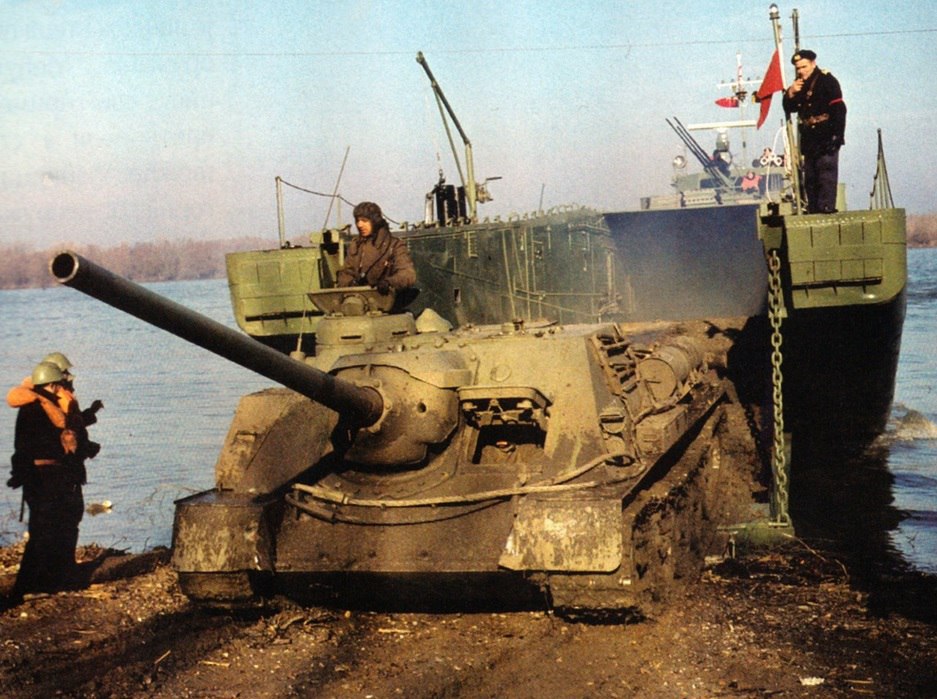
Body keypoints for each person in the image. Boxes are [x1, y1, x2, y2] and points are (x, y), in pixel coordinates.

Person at [6, 360, 100, 598]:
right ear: (51, 384)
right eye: (58, 382)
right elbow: (42, 445)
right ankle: (32, 586)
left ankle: (50, 580)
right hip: (45, 478)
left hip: (43, 477)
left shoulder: (36, 407)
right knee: (44, 531)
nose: (62, 386)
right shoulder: (38, 409)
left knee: (50, 528)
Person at [782, 49, 847, 214]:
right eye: (798, 68)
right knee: (810, 177)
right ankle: (813, 208)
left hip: (826, 133)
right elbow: (790, 108)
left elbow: (839, 108)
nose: (801, 71)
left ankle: (826, 207)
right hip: (809, 138)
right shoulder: (800, 85)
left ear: (813, 64)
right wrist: (790, 93)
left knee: (826, 172)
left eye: (804, 66)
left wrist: (838, 135)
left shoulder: (827, 80)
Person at [336, 201, 416, 294]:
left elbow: (408, 274)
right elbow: (346, 273)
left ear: (375, 221)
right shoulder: (356, 245)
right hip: (357, 298)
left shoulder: (394, 245)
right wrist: (350, 283)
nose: (359, 225)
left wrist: (389, 282)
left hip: (385, 298)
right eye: (357, 220)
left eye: (364, 220)